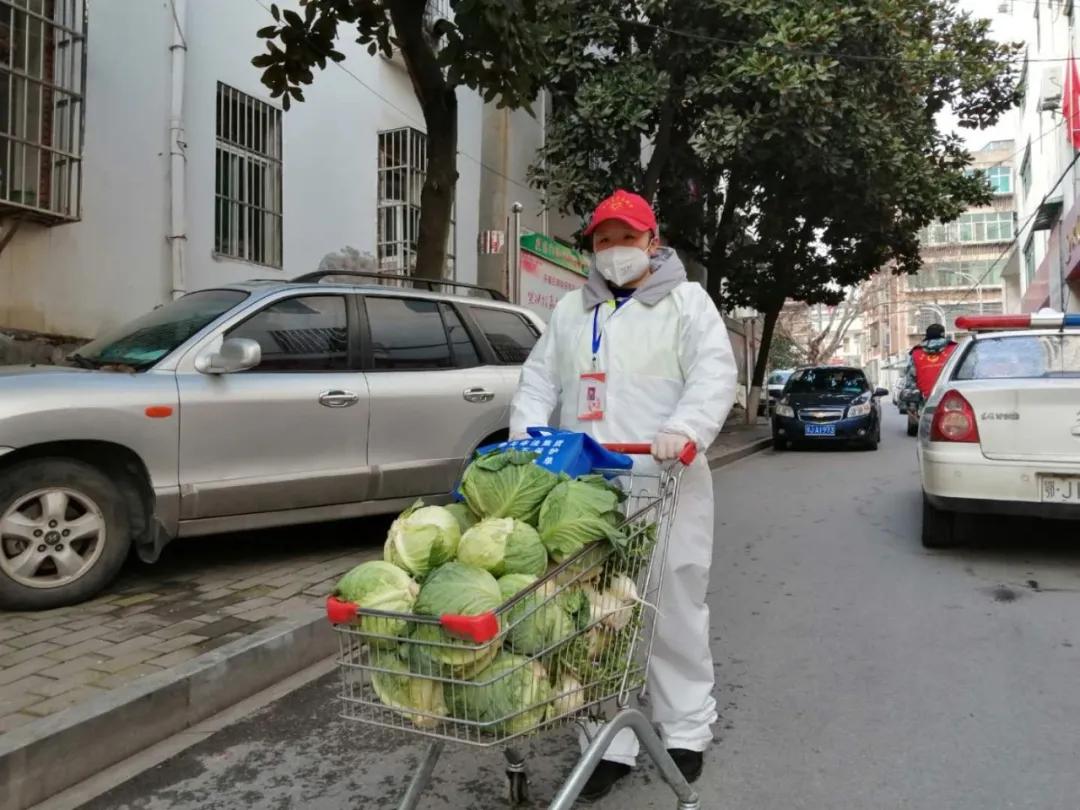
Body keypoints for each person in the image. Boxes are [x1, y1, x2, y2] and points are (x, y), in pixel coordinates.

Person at [510, 189, 738, 800]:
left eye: (627, 239)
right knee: (593, 619)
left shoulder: (686, 304)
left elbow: (714, 372)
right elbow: (537, 381)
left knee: (671, 610)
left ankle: (686, 729)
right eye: (603, 240)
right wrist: (526, 439)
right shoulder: (570, 312)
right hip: (586, 491)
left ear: (652, 242)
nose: (614, 251)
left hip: (664, 481)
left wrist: (684, 430)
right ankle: (607, 741)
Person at [907, 323, 958, 398]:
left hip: (924, 399)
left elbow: (910, 380)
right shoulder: (955, 349)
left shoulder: (916, 353)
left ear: (927, 336)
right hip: (951, 398)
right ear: (943, 334)